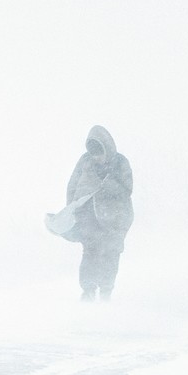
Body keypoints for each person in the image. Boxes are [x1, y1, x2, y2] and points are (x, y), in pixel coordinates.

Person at [66, 125, 133, 301]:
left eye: (100, 153)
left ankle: (106, 292)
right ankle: (88, 292)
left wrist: (105, 185)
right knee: (90, 252)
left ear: (107, 148)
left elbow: (127, 190)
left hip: (115, 219)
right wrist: (70, 210)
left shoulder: (121, 163)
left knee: (111, 253)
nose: (97, 158)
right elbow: (73, 186)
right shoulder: (85, 162)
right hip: (89, 218)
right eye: (93, 154)